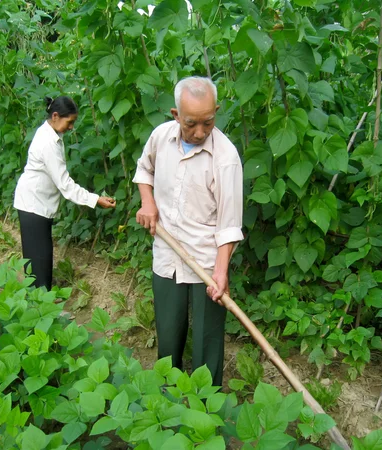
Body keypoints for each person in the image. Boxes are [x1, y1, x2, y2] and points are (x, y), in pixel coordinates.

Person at [133, 77, 243, 386]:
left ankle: (208, 409)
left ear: (216, 111)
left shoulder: (225, 158)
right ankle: (167, 403)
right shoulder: (160, 138)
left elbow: (229, 223)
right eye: (191, 123)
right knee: (168, 337)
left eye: (208, 122)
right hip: (167, 254)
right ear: (175, 115)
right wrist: (148, 202)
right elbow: (145, 169)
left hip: (207, 261)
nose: (199, 132)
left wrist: (221, 272)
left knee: (208, 343)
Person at [14, 96, 116, 290]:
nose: (71, 127)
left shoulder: (48, 134)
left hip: (35, 204)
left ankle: (39, 307)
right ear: (55, 116)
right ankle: (42, 310)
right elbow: (65, 185)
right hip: (33, 205)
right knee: (39, 261)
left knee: (38, 260)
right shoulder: (48, 143)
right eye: (69, 122)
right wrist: (96, 200)